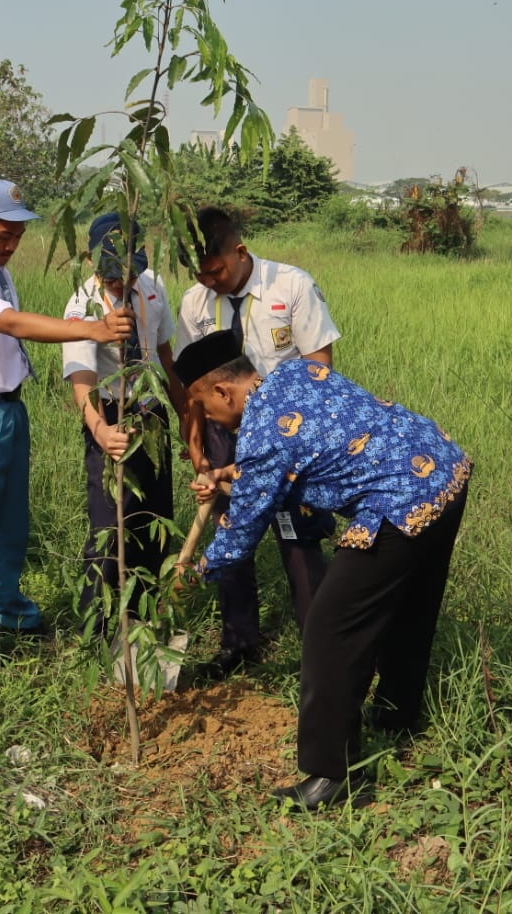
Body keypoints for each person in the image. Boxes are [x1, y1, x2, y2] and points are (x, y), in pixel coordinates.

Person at [176, 329, 472, 810]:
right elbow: (308, 452)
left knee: (329, 629)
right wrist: (234, 475)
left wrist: (197, 571)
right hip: (443, 468)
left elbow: (243, 528)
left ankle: (331, 777)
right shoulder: (296, 371)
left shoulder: (259, 436)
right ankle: (396, 716)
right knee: (407, 605)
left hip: (397, 499)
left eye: (204, 407)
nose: (207, 418)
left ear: (223, 391)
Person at [0, 179, 134, 675]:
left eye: (19, 232)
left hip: (7, 410)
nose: (13, 242)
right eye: (4, 232)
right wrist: (92, 328)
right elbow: (14, 325)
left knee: (10, 522)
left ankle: (13, 611)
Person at [176, 206, 340, 681]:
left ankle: (321, 651)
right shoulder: (194, 303)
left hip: (288, 437)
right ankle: (239, 641)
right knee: (233, 535)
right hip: (225, 434)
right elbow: (196, 387)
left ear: (240, 251)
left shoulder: (291, 286)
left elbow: (320, 368)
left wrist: (297, 438)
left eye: (218, 270)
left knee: (298, 539)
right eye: (202, 274)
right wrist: (199, 451)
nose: (211, 282)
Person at [61, 214, 184, 637]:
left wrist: (186, 419)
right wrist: (101, 432)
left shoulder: (153, 288)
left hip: (151, 415)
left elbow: (165, 358)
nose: (121, 283)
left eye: (129, 273)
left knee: (155, 516)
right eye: (112, 275)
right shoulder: (82, 307)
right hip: (109, 415)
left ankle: (148, 619)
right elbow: (82, 384)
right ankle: (95, 628)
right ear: (93, 263)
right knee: (109, 526)